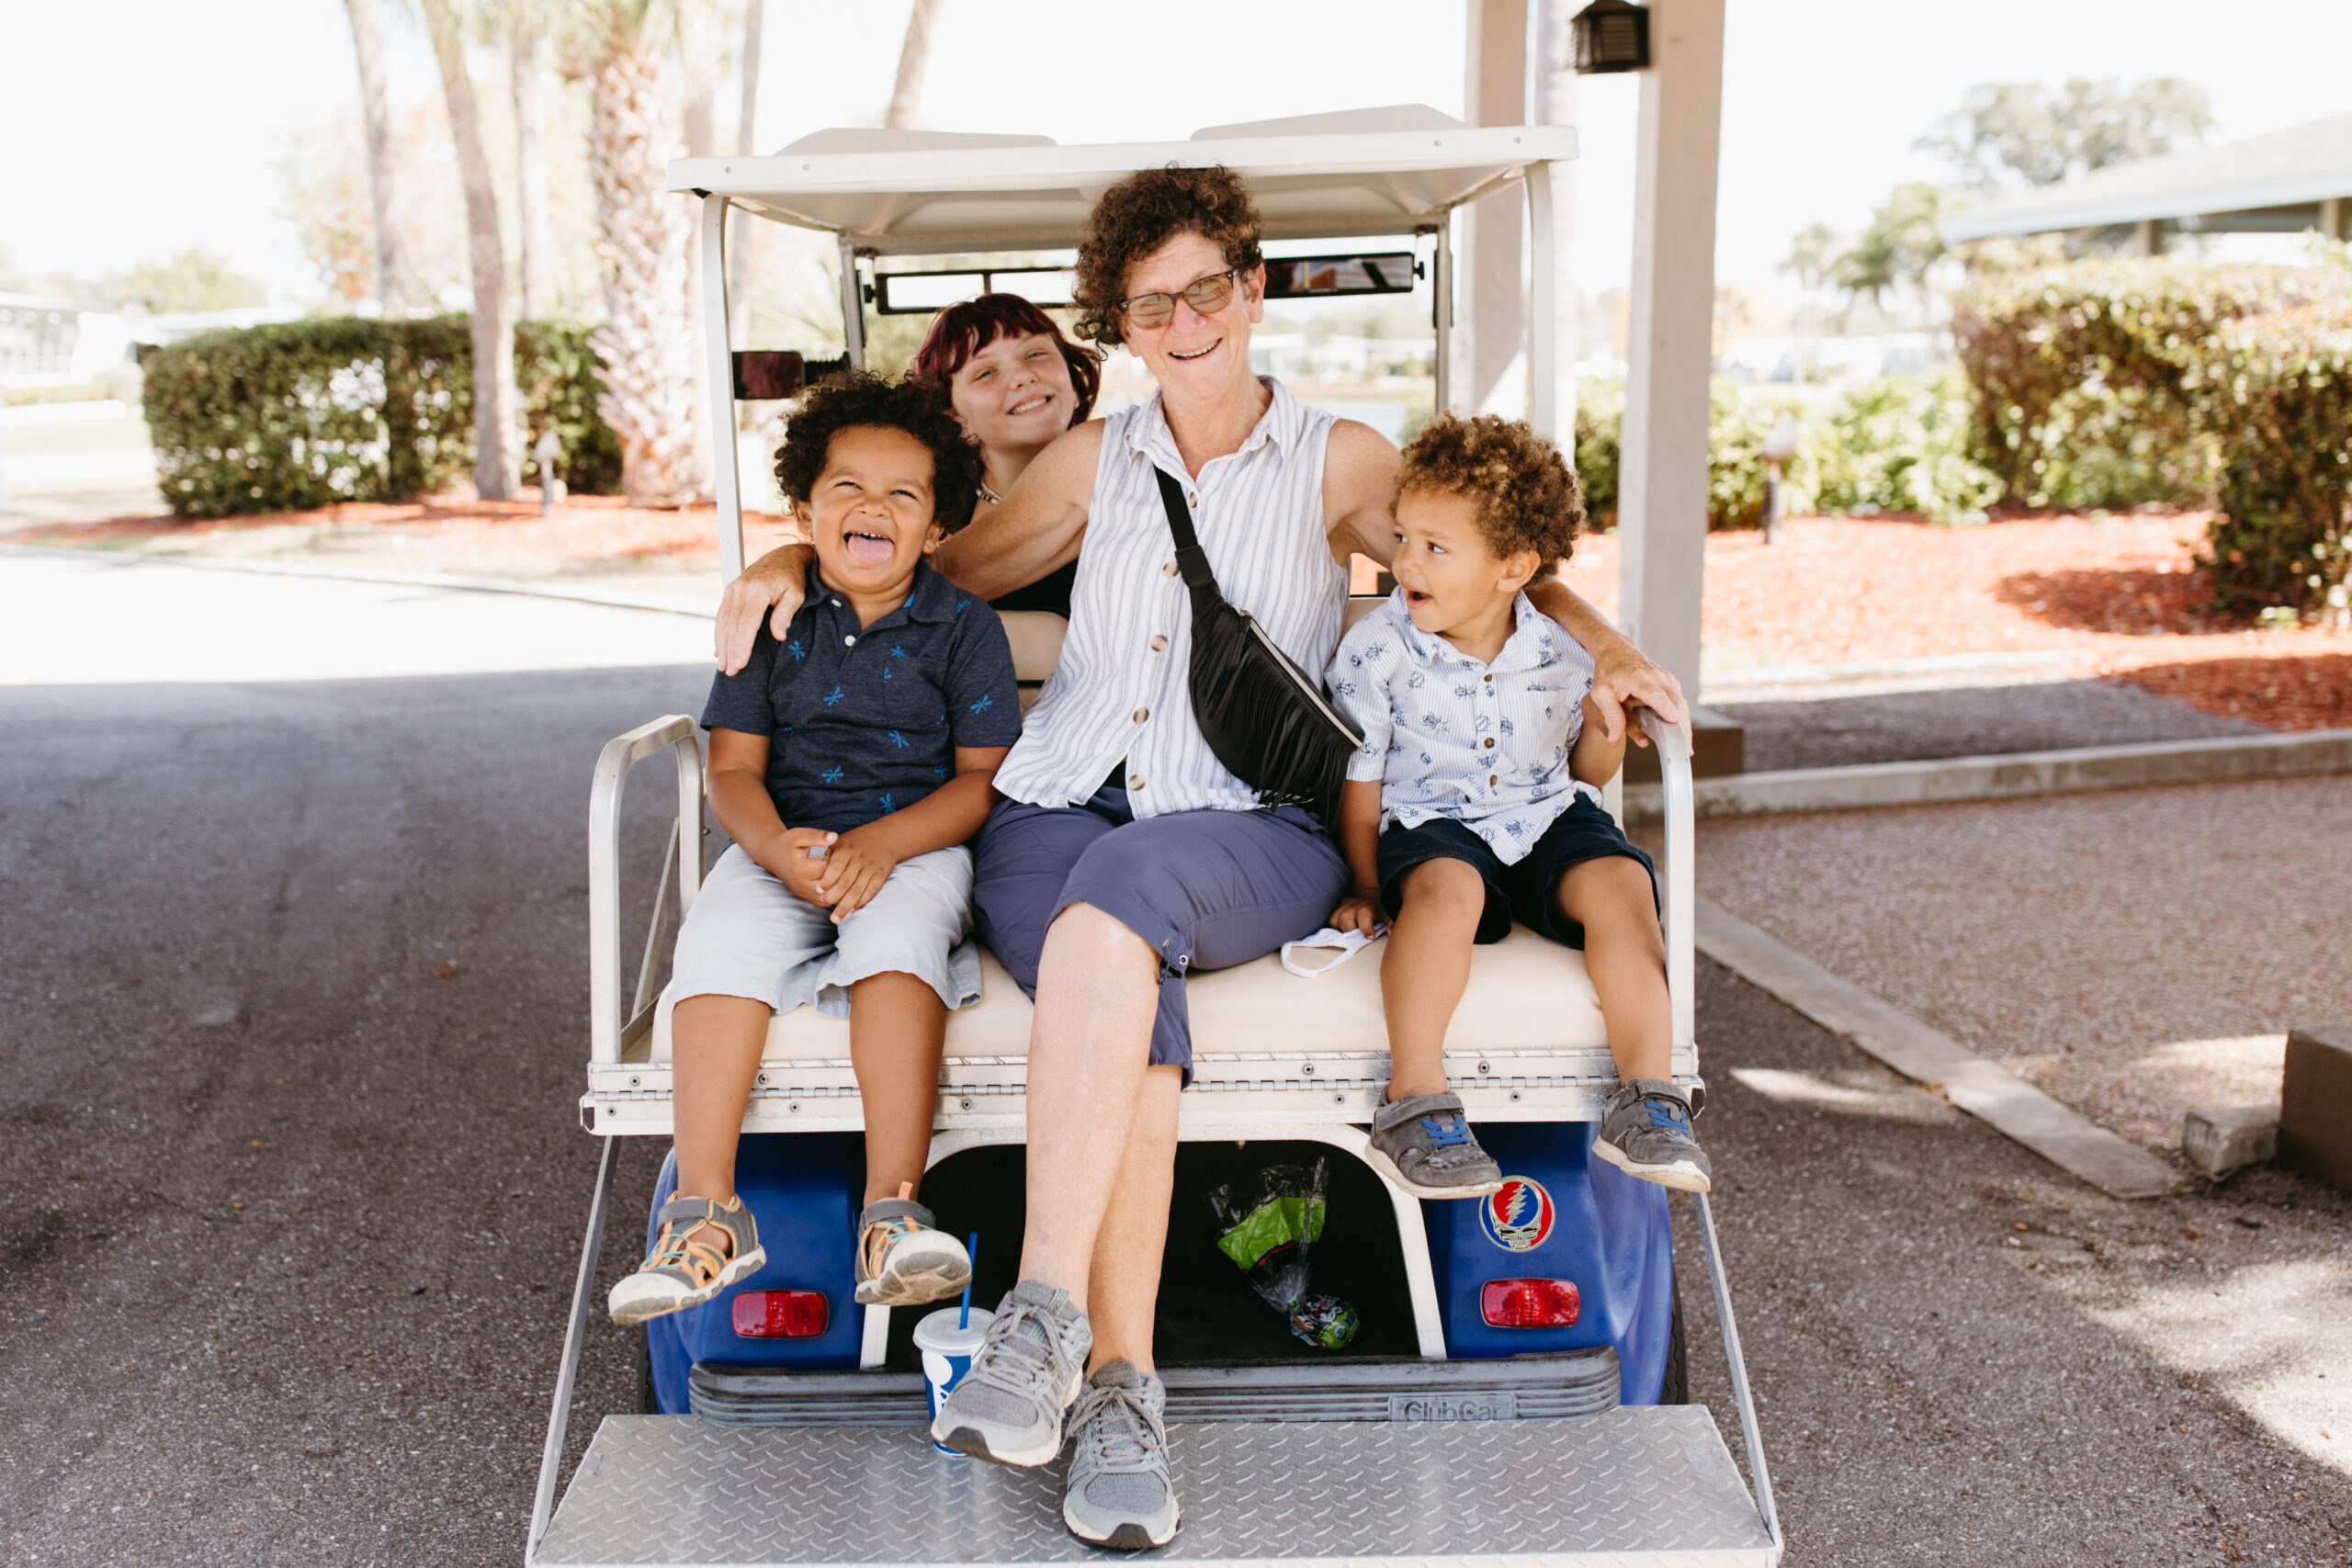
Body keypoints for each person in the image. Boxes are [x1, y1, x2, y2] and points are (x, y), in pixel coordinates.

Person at [710, 165, 1690, 1551]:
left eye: (1207, 290)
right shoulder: (1094, 461)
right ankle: (1122, 1389)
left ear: (1254, 286)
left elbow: (1489, 555)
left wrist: (1616, 647)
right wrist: (788, 570)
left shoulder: (1342, 460)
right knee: (1129, 992)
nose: (1185, 323)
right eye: (1152, 302)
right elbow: (929, 559)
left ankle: (1040, 1311)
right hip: (1053, 812)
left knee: (1131, 902)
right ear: (1123, 321)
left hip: (1254, 826)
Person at [608, 372, 1022, 1328]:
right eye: (846, 487)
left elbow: (979, 780)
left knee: (895, 947)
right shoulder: (772, 621)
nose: (871, 507)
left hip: (912, 843)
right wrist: (774, 849)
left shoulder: (964, 629)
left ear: (936, 527)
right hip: (780, 841)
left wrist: (883, 843)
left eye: (903, 495)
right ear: (803, 509)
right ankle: (705, 1215)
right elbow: (732, 770)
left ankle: (890, 1210)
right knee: (713, 952)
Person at [1325, 414, 1710, 1200]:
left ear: (1514, 568)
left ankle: (1649, 1097)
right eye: (1403, 538)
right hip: (1431, 819)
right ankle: (1417, 1098)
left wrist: (1611, 723)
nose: (1405, 563)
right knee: (1448, 892)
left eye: (1436, 547)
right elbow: (1360, 783)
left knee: (1622, 886)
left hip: (1543, 810)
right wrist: (1364, 886)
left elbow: (1587, 771)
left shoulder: (1564, 648)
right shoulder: (1380, 650)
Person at [910, 293, 1103, 618]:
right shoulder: (923, 517)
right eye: (985, 373)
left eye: (1036, 353)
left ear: (1073, 383)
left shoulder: (1136, 489)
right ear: (953, 417)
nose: (1023, 376)